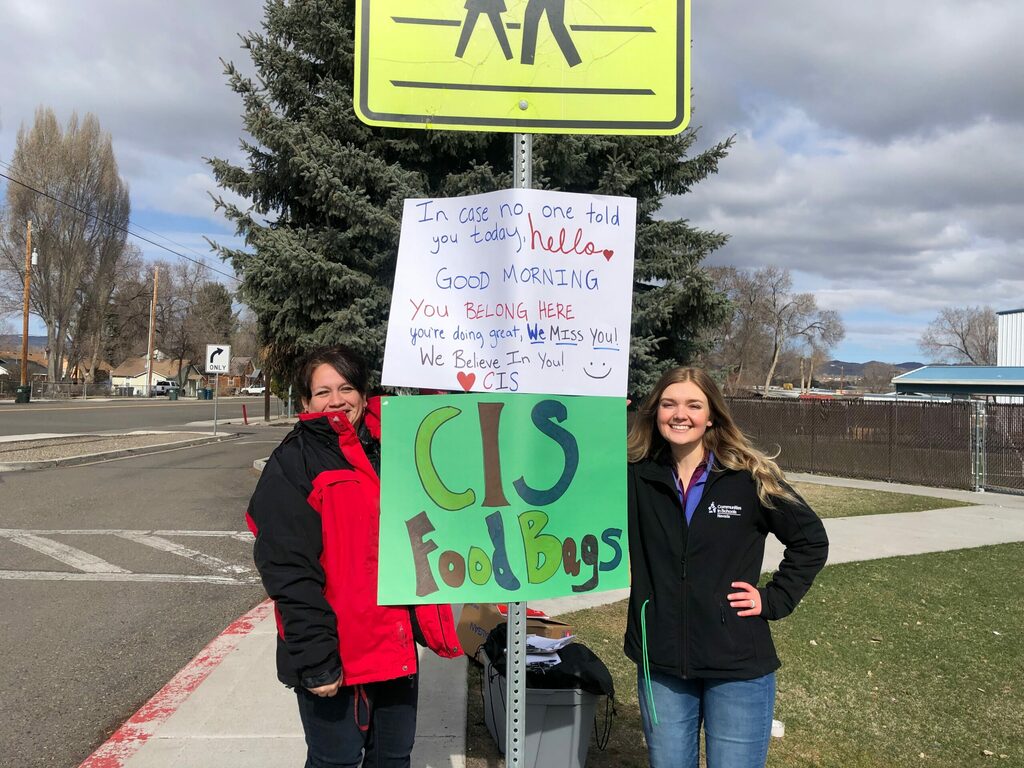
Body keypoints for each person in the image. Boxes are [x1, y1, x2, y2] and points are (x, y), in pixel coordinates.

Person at [245, 344, 462, 768]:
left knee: (394, 759)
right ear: (305, 402)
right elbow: (288, 570)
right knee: (336, 763)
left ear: (363, 395)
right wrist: (316, 661)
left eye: (346, 388)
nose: (337, 400)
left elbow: (461, 437)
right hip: (339, 656)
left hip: (395, 648)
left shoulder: (393, 447)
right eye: (323, 391)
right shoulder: (293, 463)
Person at [623, 367, 828, 768]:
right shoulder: (635, 476)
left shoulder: (749, 477)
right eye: (669, 403)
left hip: (737, 665)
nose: (680, 414)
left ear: (711, 415)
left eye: (693, 405)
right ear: (654, 412)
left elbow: (810, 540)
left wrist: (775, 598)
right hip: (661, 663)